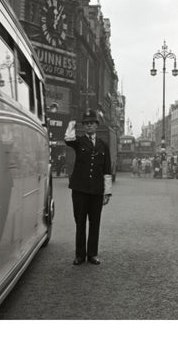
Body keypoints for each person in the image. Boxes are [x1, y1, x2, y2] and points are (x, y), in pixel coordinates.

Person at [64, 109, 112, 266]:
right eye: (86, 124)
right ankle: (79, 255)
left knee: (95, 222)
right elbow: (67, 139)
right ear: (83, 126)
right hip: (79, 190)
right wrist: (72, 122)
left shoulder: (103, 145)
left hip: (96, 191)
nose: (89, 126)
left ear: (96, 125)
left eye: (91, 123)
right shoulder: (78, 142)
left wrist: (107, 193)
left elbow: (107, 170)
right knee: (80, 222)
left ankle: (93, 254)